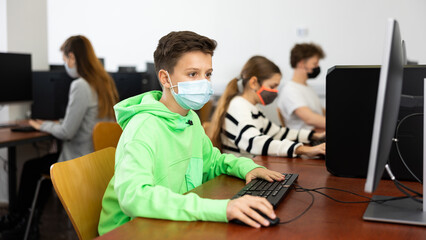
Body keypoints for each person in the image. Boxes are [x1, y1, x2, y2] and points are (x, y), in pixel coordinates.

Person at [98, 31, 287, 235]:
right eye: (192, 74)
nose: (204, 82)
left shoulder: (190, 119)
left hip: (169, 221)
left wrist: (248, 167)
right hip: (131, 230)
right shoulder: (143, 127)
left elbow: (212, 161)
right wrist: (221, 208)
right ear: (165, 78)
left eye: (208, 74)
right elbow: (134, 197)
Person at [0, 35, 119, 239]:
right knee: (41, 169)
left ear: (72, 57)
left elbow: (66, 132)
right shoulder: (104, 83)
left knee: (31, 168)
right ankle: (29, 223)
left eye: (65, 59)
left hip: (79, 161)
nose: (65, 64)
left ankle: (22, 224)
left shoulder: (81, 85)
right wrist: (59, 123)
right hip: (99, 160)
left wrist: (40, 124)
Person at [209, 56, 325, 159]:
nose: (275, 92)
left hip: (253, 166)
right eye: (272, 86)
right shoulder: (238, 106)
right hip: (239, 173)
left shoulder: (253, 108)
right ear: (254, 82)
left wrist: (314, 136)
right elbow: (256, 142)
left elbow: (277, 133)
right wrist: (303, 150)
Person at [277, 43, 326, 130]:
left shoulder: (307, 87)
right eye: (314, 64)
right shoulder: (290, 90)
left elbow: (321, 112)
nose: (317, 67)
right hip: (308, 140)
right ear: (301, 63)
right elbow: (309, 119)